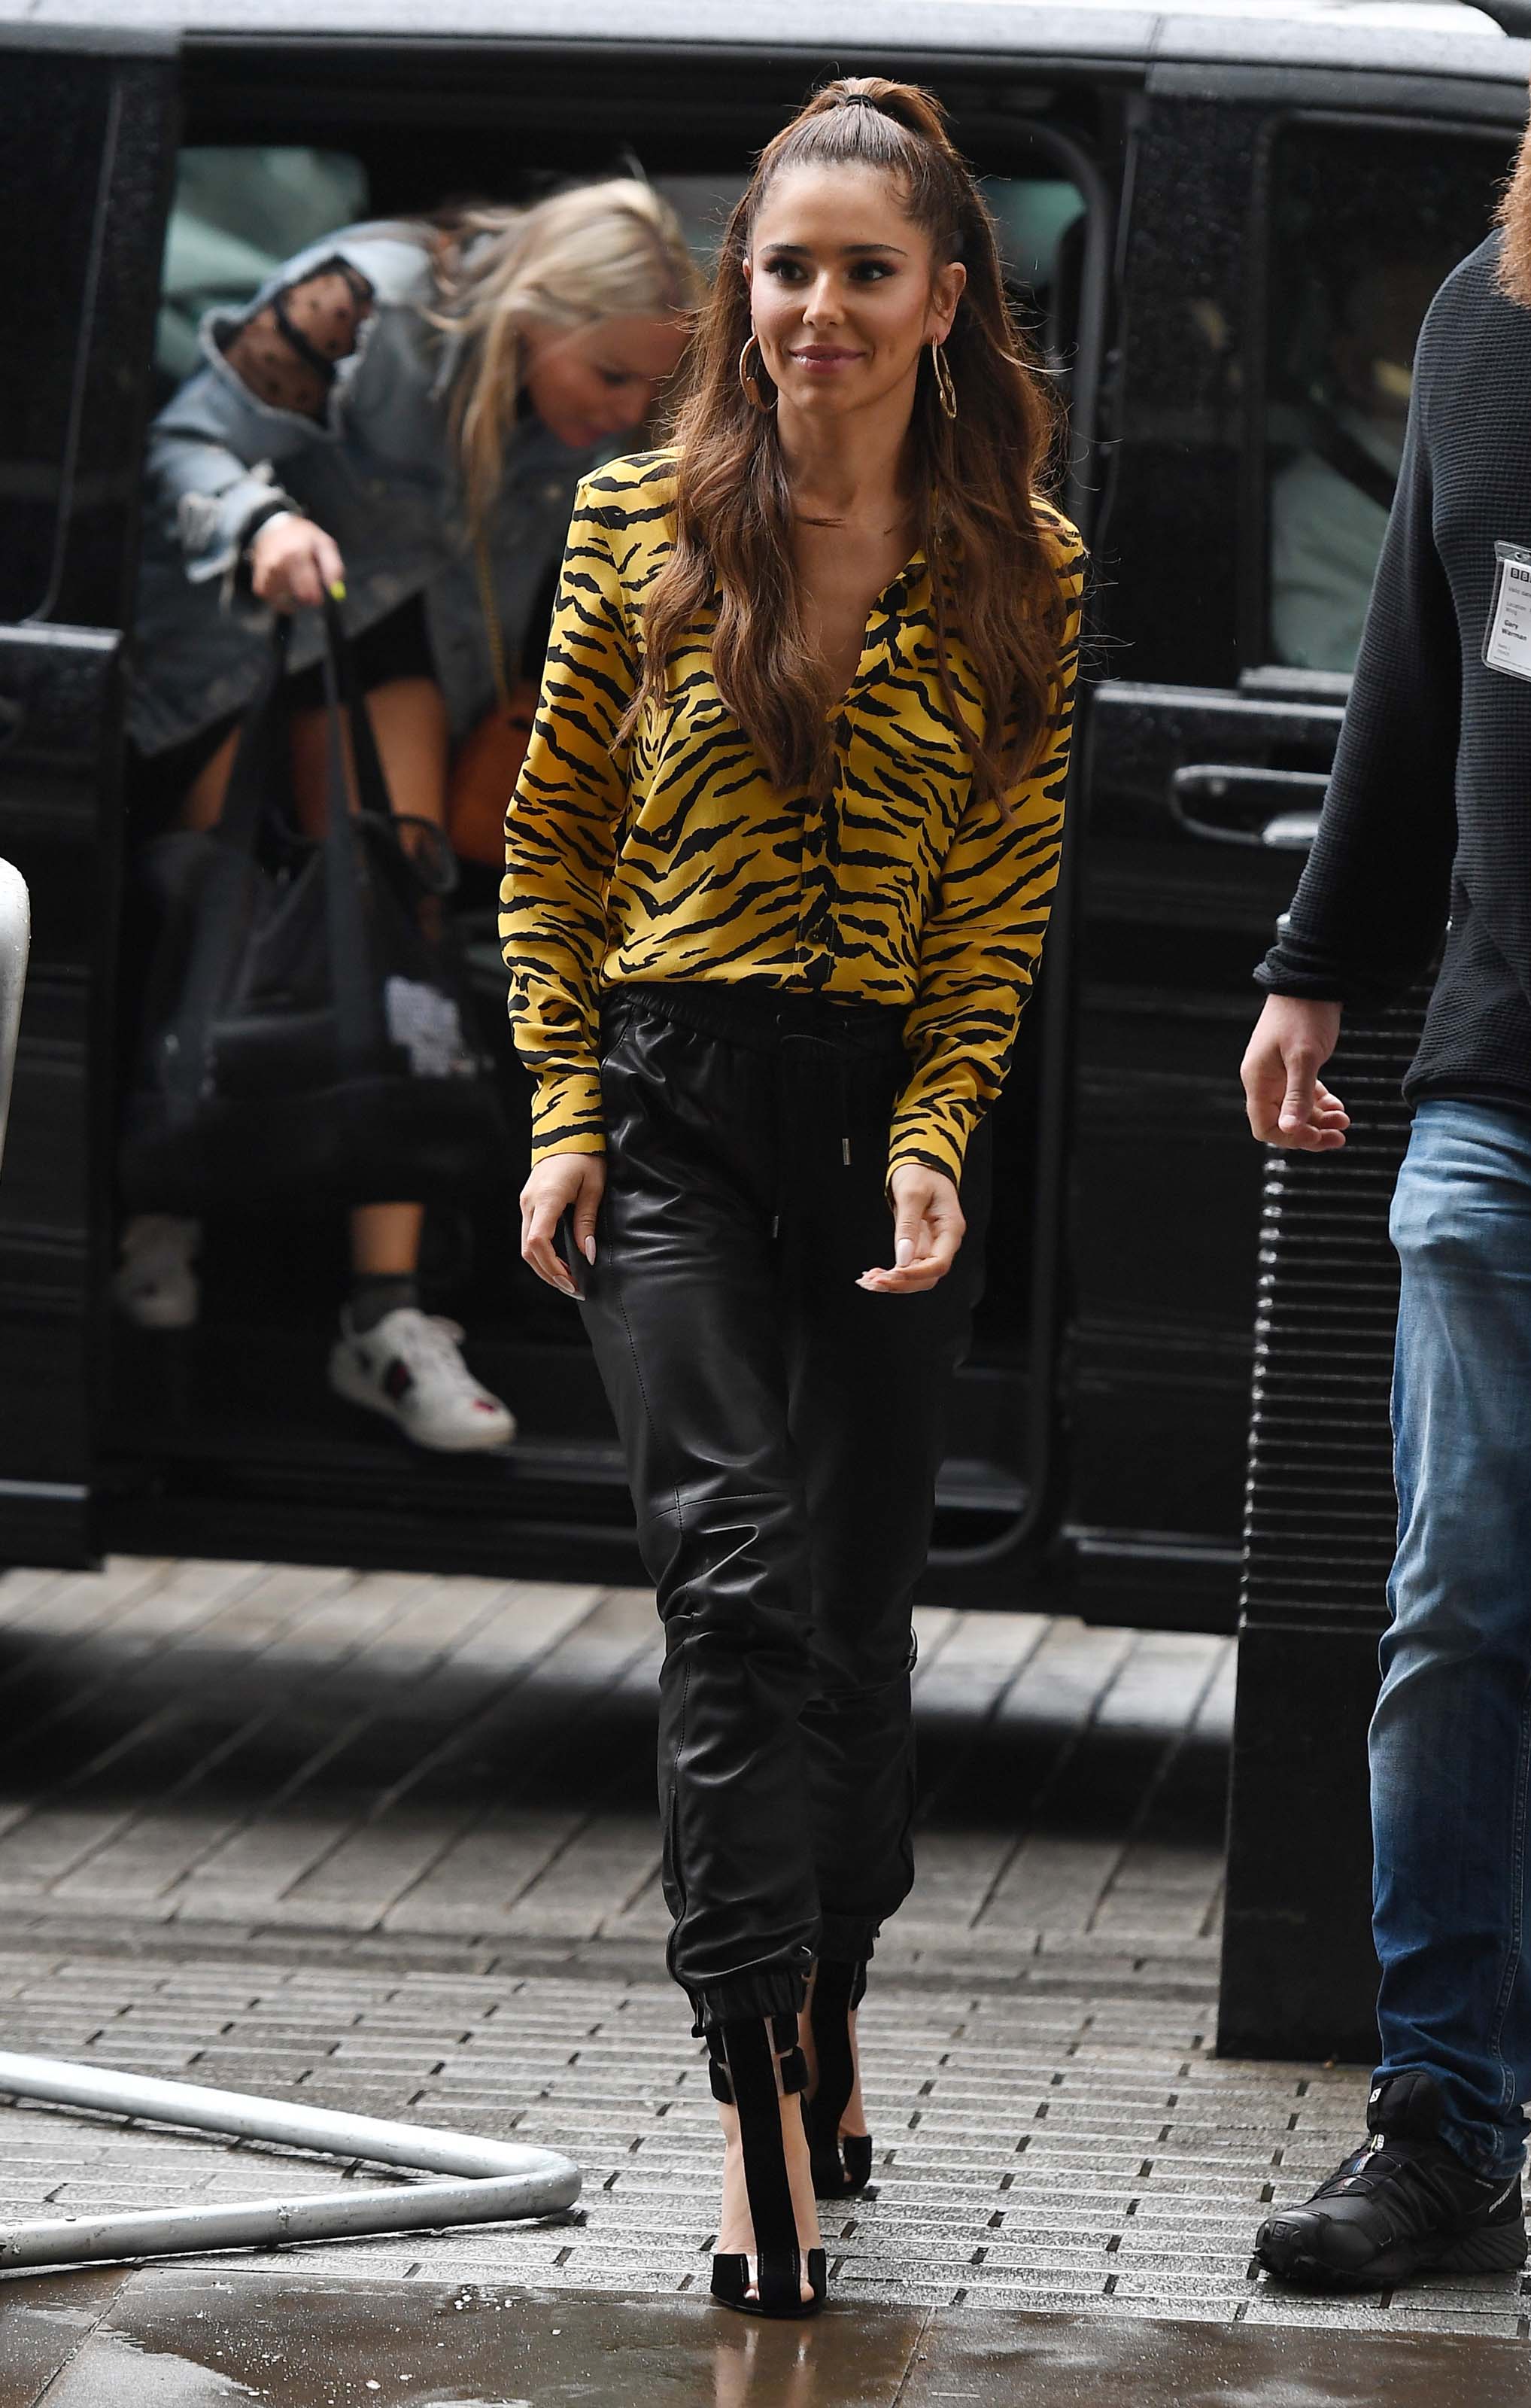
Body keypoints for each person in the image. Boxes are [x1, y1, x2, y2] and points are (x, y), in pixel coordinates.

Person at [503, 78, 1083, 2315]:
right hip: (668, 1108)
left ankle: (833, 1995)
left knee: (852, 1621)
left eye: (863, 270)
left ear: (944, 299)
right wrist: (562, 1105)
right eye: (783, 266)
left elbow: (999, 899)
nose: (815, 306)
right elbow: (552, 843)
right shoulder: (635, 520)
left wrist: (936, 1132)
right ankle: (756, 2114)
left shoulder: (1023, 562)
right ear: (737, 289)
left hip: (875, 1128)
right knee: (732, 1595)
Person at [1241, 0, 1531, 2289]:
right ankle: (1447, 2128)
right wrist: (1315, 962)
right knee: (1457, 1614)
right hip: (1506, 1087)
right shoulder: (1491, 312)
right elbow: (1414, 662)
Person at [119, 178, 698, 1452]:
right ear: (535, 312)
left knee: (400, 923)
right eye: (608, 375)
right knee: (233, 913)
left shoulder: (585, 434)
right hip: (232, 636)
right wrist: (262, 522)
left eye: (646, 390)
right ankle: (170, 1200)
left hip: (394, 653)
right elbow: (186, 443)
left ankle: (384, 1312)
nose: (621, 412)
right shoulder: (362, 308)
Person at [1270, 259, 1444, 673]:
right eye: (1411, 328)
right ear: (1353, 364)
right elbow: (1342, 674)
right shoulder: (1316, 505)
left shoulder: (1470, 471)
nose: (1441, 352)